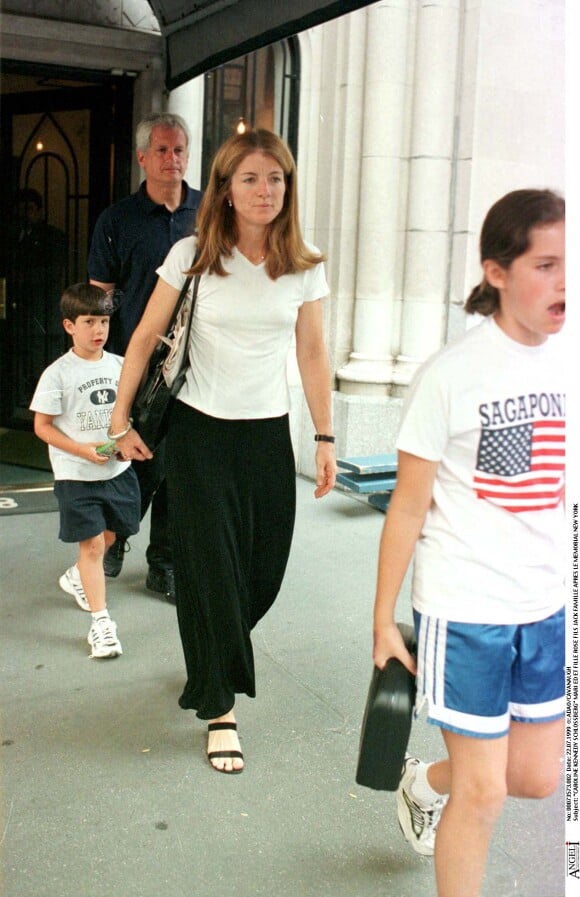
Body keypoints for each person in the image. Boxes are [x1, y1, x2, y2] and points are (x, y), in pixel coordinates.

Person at [106, 127, 337, 773]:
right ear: (227, 190)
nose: (266, 191)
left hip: (267, 433)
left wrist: (324, 436)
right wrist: (120, 419)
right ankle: (220, 705)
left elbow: (312, 352)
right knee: (210, 572)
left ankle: (213, 652)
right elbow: (148, 334)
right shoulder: (193, 254)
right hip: (199, 431)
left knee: (261, 570)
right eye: (251, 178)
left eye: (276, 178)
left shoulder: (304, 263)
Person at [372, 189, 565, 896]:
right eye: (544, 265)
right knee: (483, 795)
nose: (562, 283)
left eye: (566, 264)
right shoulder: (450, 374)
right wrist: (381, 618)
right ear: (497, 272)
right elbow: (408, 505)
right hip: (465, 606)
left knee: (534, 777)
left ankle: (424, 781)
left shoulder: (565, 363)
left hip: (542, 603)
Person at [88, 112, 203, 602]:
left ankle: (165, 563)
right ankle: (116, 537)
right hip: (132, 362)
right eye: (161, 150)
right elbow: (101, 296)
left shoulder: (209, 211)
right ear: (142, 158)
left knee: (179, 466)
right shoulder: (117, 220)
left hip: (194, 365)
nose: (171, 159)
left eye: (178, 150)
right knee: (131, 462)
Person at [30, 283, 141, 659]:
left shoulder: (121, 365)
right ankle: (101, 624)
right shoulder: (57, 374)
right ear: (68, 325)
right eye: (89, 321)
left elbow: (128, 415)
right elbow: (41, 427)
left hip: (116, 472)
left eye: (104, 321)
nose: (98, 330)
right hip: (76, 473)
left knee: (110, 539)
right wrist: (81, 449)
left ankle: (77, 577)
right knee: (92, 545)